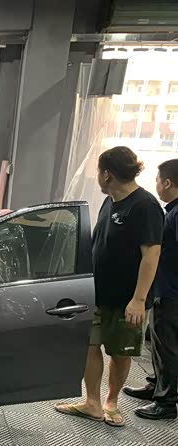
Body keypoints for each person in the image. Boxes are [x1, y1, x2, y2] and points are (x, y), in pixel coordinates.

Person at [55, 146, 164, 427]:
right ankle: (92, 402)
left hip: (127, 299)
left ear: (107, 174)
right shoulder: (110, 201)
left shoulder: (145, 206)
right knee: (89, 345)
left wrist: (138, 299)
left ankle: (111, 402)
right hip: (97, 293)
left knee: (120, 352)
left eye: (98, 172)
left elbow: (151, 255)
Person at [123, 159, 178, 420]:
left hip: (172, 293)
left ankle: (166, 402)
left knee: (168, 346)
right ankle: (156, 385)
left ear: (167, 182)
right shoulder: (171, 211)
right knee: (158, 342)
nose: (156, 184)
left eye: (157, 180)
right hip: (164, 289)